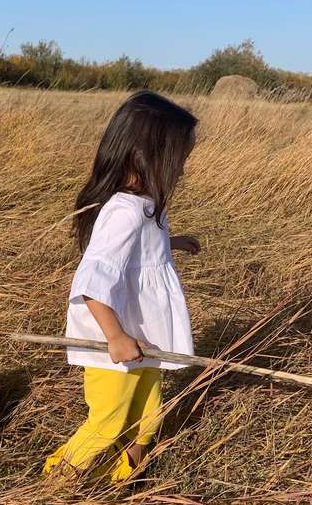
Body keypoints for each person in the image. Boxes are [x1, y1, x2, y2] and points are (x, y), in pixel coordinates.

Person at [44, 90, 201, 482]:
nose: (181, 169)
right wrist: (115, 336)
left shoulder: (148, 206)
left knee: (150, 413)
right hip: (117, 338)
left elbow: (140, 254)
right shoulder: (124, 212)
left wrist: (170, 242)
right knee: (109, 419)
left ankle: (126, 470)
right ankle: (56, 479)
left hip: (143, 333)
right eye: (178, 159)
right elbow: (93, 282)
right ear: (146, 156)